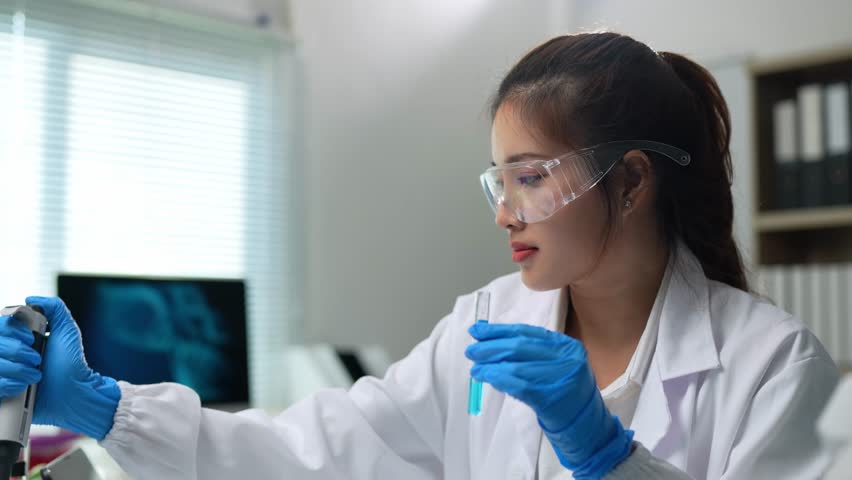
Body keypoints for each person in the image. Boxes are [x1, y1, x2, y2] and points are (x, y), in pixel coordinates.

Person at [0, 32, 839, 479]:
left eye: (531, 178)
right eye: (498, 182)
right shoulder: (485, 323)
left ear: (628, 183)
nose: (504, 212)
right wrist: (108, 407)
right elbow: (310, 455)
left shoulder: (771, 364)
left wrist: (610, 458)